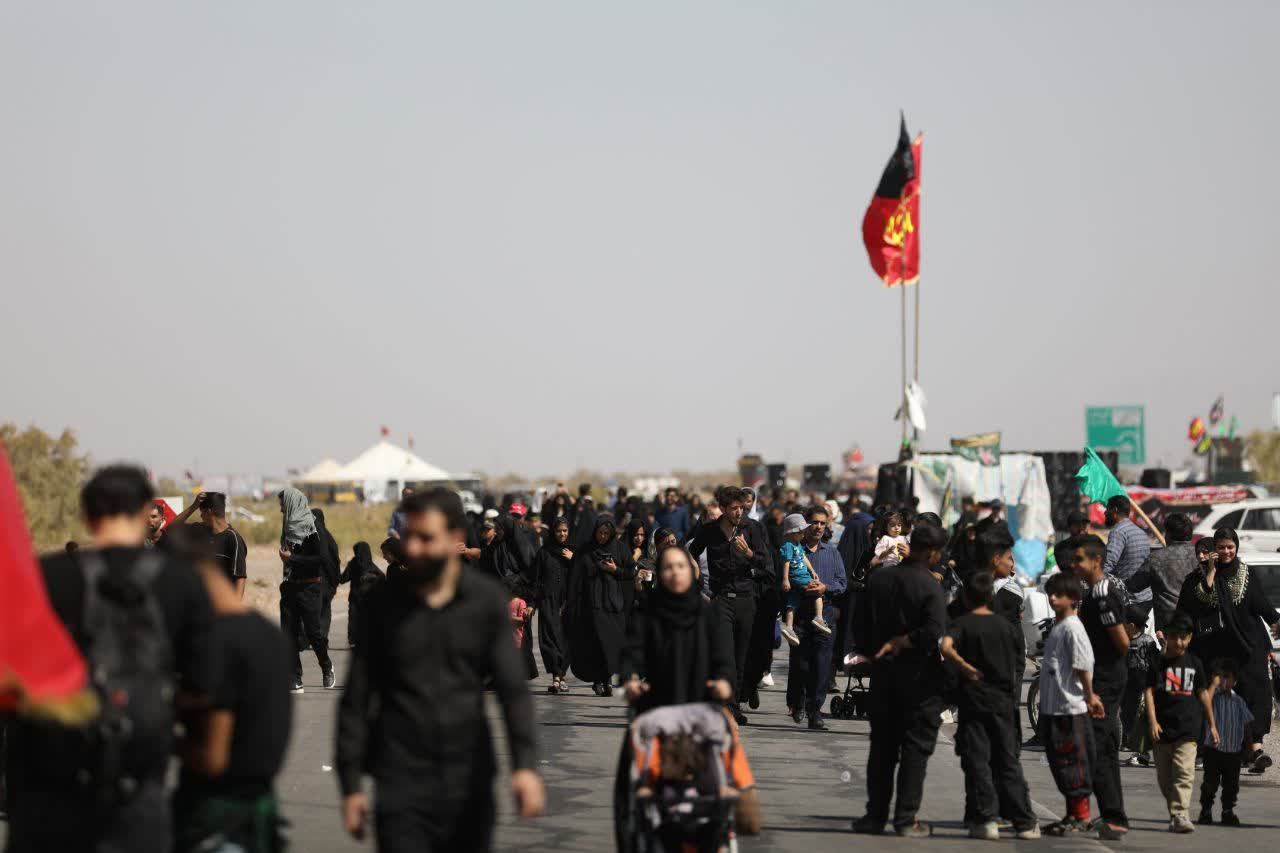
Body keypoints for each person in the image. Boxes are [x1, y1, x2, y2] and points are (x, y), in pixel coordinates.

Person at [3, 465, 214, 853]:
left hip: (49, 792)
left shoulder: (45, 577)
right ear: (144, 513)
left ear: (87, 515)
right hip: (137, 792)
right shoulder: (179, 582)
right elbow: (205, 686)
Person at [335, 488, 544, 852]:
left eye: (426, 537)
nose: (413, 548)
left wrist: (524, 766)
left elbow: (513, 691)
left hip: (467, 777)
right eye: (409, 536)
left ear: (454, 538)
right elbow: (356, 698)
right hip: (399, 777)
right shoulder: (382, 605)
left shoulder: (483, 601)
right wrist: (350, 785)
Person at [168, 525, 293, 853]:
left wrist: (160, 731)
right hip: (260, 812)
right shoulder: (268, 634)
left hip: (218, 819)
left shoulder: (215, 642)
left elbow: (213, 758)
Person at [851, 522, 948, 838]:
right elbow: (933, 631)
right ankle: (906, 819)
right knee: (914, 751)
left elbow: (859, 625)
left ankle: (874, 816)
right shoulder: (930, 586)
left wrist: (875, 652)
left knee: (882, 748)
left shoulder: (879, 580)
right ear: (933, 553)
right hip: (920, 679)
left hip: (883, 676)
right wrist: (907, 642)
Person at [940, 572, 1040, 841]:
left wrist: (966, 668)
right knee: (1007, 762)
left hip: (974, 703)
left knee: (978, 761)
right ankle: (1025, 822)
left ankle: (985, 819)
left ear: (967, 597)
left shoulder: (963, 624)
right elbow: (1019, 661)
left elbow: (946, 647)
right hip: (1004, 703)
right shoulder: (1006, 626)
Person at [1175, 527, 1280, 775]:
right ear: (1214, 549)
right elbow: (1198, 602)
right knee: (1215, 698)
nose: (1226, 552)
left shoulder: (1246, 573)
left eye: (1230, 547)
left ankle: (1256, 750)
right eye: (1221, 547)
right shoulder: (1199, 577)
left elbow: (1261, 603)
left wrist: (1276, 620)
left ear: (1236, 547)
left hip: (1248, 646)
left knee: (1255, 695)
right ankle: (1213, 750)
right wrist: (1211, 570)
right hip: (1215, 650)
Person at [686, 486, 770, 724]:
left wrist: (749, 554)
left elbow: (765, 563)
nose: (739, 512)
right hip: (720, 599)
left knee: (740, 658)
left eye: (742, 508)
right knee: (726, 657)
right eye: (734, 508)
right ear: (722, 509)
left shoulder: (751, 529)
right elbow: (691, 551)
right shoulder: (709, 530)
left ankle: (734, 707)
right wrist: (697, 580)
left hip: (746, 599)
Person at [1068, 533, 1131, 838]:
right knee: (1102, 748)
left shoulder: (1103, 594)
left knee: (1094, 747)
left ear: (1097, 561)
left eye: (1080, 559)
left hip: (1107, 679)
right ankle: (1112, 815)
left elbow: (1122, 642)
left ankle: (1113, 817)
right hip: (1100, 677)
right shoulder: (1092, 593)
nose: (1075, 565)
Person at [621, 545, 734, 712]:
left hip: (701, 705)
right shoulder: (647, 611)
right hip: (656, 705)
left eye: (681, 566)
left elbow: (723, 657)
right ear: (659, 573)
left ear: (691, 571)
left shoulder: (707, 613)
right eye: (668, 567)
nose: (675, 572)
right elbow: (631, 652)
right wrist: (630, 679)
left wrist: (723, 681)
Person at [1036, 572, 1104, 838]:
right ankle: (1072, 814)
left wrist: (1090, 696)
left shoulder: (1074, 628)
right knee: (1060, 763)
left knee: (1073, 762)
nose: (1053, 598)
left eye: (1059, 594)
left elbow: (1083, 665)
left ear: (1073, 598)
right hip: (1054, 708)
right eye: (1050, 594)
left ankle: (1081, 816)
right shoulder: (1059, 626)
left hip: (1069, 708)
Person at [1144, 612, 1217, 834]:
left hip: (1188, 729)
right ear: (1166, 636)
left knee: (1184, 774)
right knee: (1165, 779)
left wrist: (1212, 724)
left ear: (1190, 637)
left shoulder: (1195, 663)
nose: (1179, 642)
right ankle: (1176, 813)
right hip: (1162, 730)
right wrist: (1152, 721)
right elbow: (1149, 692)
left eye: (1183, 637)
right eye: (1174, 637)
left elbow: (1203, 694)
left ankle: (1180, 814)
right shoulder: (1158, 663)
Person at [786, 506, 846, 730]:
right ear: (806, 524)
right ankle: (797, 701)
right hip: (800, 611)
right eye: (814, 522)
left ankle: (815, 711)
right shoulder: (793, 549)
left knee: (822, 664)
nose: (818, 527)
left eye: (822, 523)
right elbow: (782, 578)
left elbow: (842, 583)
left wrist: (825, 587)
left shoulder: (832, 552)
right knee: (801, 662)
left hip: (824, 612)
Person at [276, 488, 334, 693]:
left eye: (283, 505)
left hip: (310, 588)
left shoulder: (314, 527)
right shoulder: (288, 527)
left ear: (292, 504)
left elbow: (321, 559)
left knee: (313, 633)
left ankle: (326, 666)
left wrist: (292, 558)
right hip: (290, 587)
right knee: (288, 634)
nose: (281, 510)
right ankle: (295, 678)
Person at [567, 516, 633, 696]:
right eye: (600, 533)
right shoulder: (585, 551)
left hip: (613, 605)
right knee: (595, 645)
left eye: (606, 533)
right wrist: (570, 603)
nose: (603, 537)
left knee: (610, 645)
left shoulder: (620, 549)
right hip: (590, 605)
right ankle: (599, 679)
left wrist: (615, 570)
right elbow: (574, 578)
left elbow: (630, 572)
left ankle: (607, 678)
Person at [1198, 657, 1254, 826]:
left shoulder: (1238, 701)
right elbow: (1204, 702)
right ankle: (1206, 810)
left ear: (1235, 681)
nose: (1222, 680)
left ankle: (1227, 810)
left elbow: (1247, 724)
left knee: (1231, 785)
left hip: (1233, 752)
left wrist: (1249, 746)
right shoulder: (1212, 698)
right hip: (1213, 750)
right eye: (1219, 676)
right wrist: (1213, 685)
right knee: (1210, 783)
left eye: (1227, 677)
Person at [167, 491, 248, 598]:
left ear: (209, 511)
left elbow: (240, 577)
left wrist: (235, 606)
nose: (201, 516)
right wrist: (193, 506)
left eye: (201, 512)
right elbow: (172, 528)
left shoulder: (233, 539)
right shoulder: (200, 530)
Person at [534, 519, 574, 693]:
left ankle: (561, 675)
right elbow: (535, 579)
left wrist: (573, 559)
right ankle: (556, 677)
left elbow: (583, 575)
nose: (562, 534)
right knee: (549, 638)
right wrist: (532, 603)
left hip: (568, 601)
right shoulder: (544, 552)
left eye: (565, 530)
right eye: (559, 531)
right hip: (548, 600)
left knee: (565, 639)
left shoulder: (573, 552)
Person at [779, 513, 825, 646]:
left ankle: (789, 627)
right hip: (799, 577)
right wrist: (785, 579)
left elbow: (804, 558)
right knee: (818, 590)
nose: (803, 534)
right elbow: (786, 563)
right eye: (801, 532)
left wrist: (812, 570)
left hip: (800, 577)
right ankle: (819, 617)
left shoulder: (797, 544)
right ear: (792, 532)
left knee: (792, 603)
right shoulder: (788, 545)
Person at [1122, 605, 1160, 766]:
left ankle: (1141, 753)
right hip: (1128, 688)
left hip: (1143, 689)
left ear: (1131, 626)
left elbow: (1156, 665)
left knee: (1140, 721)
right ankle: (1137, 750)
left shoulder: (1147, 642)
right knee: (1129, 718)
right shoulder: (1123, 640)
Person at [1103, 495, 1151, 615]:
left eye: (1107, 509)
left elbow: (1108, 565)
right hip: (1145, 597)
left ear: (1114, 510)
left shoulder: (1118, 532)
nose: (1105, 512)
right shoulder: (1140, 532)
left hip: (1128, 600)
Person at [340, 542, 384, 648]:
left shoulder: (353, 564)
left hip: (355, 598)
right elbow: (382, 578)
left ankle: (353, 642)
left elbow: (343, 579)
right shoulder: (371, 565)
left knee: (353, 619)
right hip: (369, 598)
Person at [311, 508, 342, 643]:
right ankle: (322, 638)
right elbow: (334, 561)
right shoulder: (329, 537)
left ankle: (314, 638)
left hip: (313, 580)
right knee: (325, 610)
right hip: (327, 581)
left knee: (314, 610)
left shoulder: (309, 536)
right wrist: (335, 580)